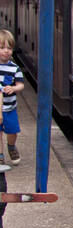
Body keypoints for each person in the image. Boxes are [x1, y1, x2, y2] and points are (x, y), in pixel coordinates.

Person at [0, 29, 25, 165]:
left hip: (9, 108)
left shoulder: (14, 68)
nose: (6, 51)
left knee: (12, 131)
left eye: (9, 48)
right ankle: (0, 155)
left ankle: (11, 146)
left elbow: (20, 85)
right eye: (2, 48)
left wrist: (13, 88)